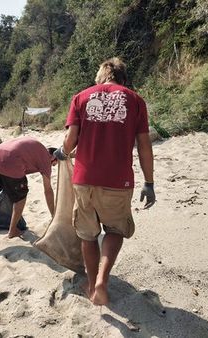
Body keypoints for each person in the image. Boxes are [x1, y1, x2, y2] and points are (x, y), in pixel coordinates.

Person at [54, 57, 155, 305]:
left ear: (101, 76)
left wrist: (61, 152)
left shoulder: (81, 97)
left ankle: (91, 286)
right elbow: (144, 145)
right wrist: (149, 183)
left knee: (88, 235)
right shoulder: (135, 100)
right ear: (122, 78)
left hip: (84, 179)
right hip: (117, 181)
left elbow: (71, 140)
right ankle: (102, 280)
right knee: (115, 230)